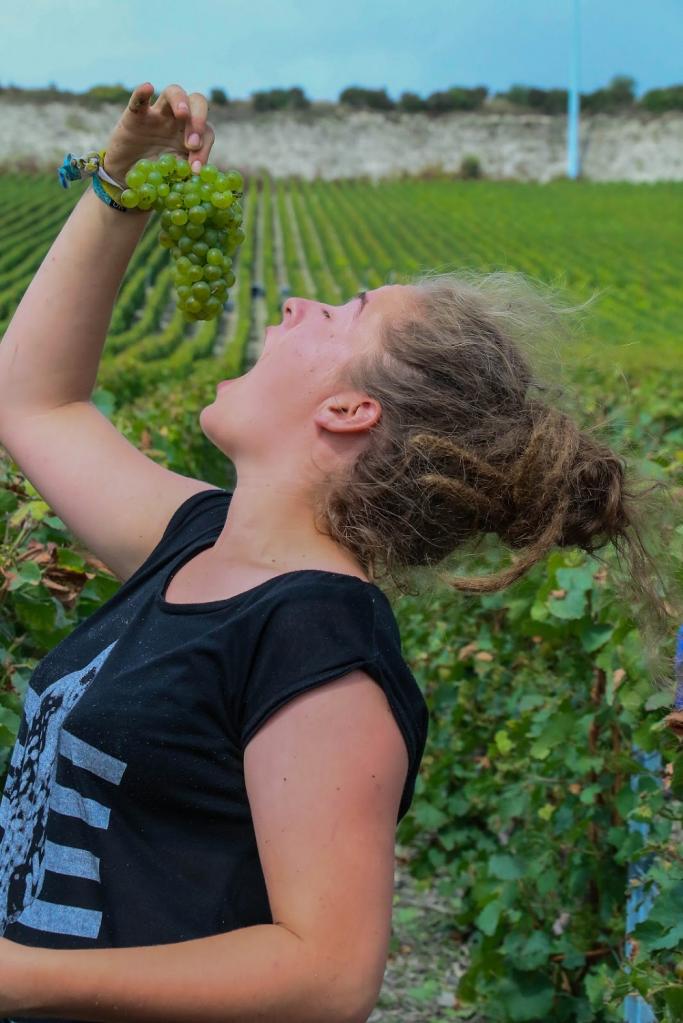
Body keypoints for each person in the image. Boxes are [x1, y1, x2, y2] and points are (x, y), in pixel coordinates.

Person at [0, 81, 679, 1022]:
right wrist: (122, 174)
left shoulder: (320, 641)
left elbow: (326, 977)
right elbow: (36, 402)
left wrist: (18, 974)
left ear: (351, 411)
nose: (292, 302)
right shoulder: (197, 541)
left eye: (342, 311)